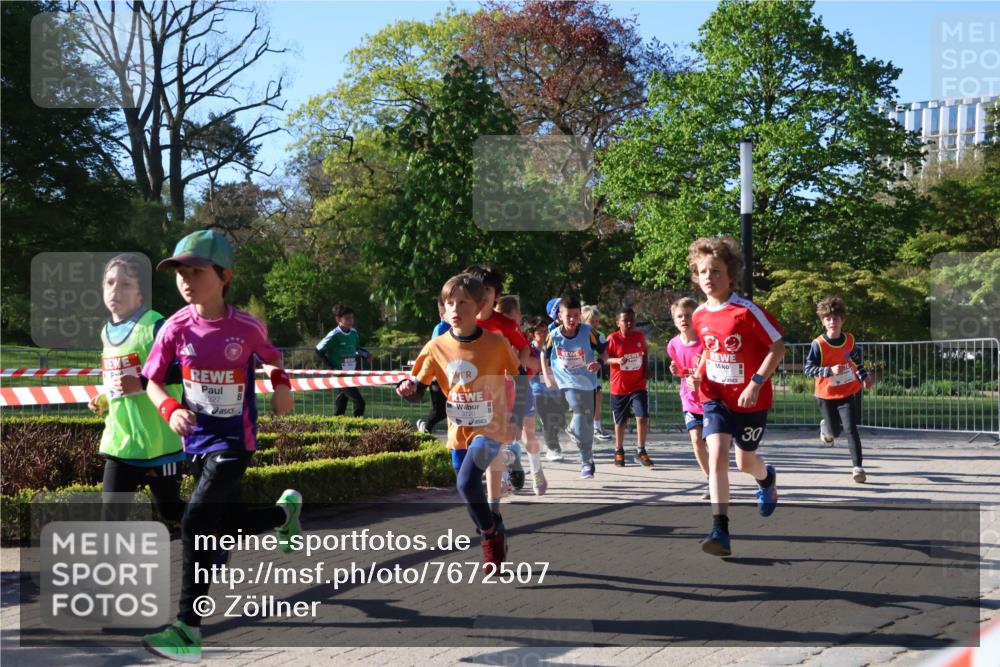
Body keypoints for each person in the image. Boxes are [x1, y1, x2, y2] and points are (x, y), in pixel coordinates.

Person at [140, 230, 302, 662]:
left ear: (223, 276)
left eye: (196, 271)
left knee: (196, 518)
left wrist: (281, 386)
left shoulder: (246, 326)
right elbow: (152, 380)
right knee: (225, 524)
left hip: (236, 441)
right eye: (179, 272)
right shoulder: (174, 327)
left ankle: (187, 630)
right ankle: (286, 513)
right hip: (196, 442)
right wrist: (170, 408)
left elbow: (273, 358)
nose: (186, 280)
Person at [396, 273, 526, 568]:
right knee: (467, 492)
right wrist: (406, 389)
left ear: (479, 306)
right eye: (449, 302)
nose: (454, 309)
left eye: (463, 302)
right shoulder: (436, 346)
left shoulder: (496, 343)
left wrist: (519, 414)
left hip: (491, 426)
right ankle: (492, 528)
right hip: (458, 429)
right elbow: (416, 387)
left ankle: (490, 538)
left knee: (468, 482)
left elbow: (520, 375)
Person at [686, 236, 784, 558]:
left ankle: (766, 478)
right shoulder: (699, 315)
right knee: (715, 456)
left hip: (751, 400)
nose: (709, 278)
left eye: (715, 271)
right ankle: (720, 528)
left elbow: (777, 347)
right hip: (715, 397)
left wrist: (755, 382)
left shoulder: (747, 311)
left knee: (745, 463)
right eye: (703, 272)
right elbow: (707, 349)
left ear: (730, 275)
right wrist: (700, 370)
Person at [88, 253, 185, 523]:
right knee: (111, 518)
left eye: (125, 285)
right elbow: (119, 382)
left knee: (173, 512)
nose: (115, 290)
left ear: (141, 294)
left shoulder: (157, 326)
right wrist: (106, 398)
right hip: (122, 442)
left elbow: (185, 371)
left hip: (160, 442)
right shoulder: (106, 331)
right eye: (109, 283)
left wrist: (141, 383)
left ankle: (242, 523)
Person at [465, 264, 530, 501]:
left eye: (488, 289)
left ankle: (495, 496)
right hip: (470, 394)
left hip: (502, 390)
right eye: (477, 288)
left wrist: (515, 369)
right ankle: (509, 458)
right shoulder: (463, 321)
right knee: (475, 443)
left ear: (497, 294)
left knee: (492, 442)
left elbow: (524, 348)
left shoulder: (504, 324)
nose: (482, 294)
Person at [804, 296, 876, 483]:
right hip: (825, 394)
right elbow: (808, 369)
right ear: (823, 322)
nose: (832, 322)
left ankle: (857, 467)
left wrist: (864, 376)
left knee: (851, 429)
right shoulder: (818, 344)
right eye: (828, 319)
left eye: (836, 319)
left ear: (842, 320)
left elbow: (857, 361)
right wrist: (828, 370)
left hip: (847, 391)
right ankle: (826, 428)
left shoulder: (850, 340)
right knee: (835, 432)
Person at [541, 294, 604, 479]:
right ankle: (584, 459)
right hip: (565, 380)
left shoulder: (589, 332)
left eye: (576, 316)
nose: (572, 320)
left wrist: (599, 363)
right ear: (560, 316)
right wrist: (547, 376)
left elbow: (604, 352)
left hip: (587, 381)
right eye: (568, 316)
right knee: (578, 409)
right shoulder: (554, 335)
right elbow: (544, 355)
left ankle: (587, 461)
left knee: (586, 423)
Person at [497, 298, 547, 495]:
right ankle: (503, 478)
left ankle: (536, 470)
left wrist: (520, 364)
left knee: (528, 434)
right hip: (499, 390)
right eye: (517, 314)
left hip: (521, 390)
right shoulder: (493, 335)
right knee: (500, 437)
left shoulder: (520, 337)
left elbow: (533, 364)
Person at [667, 297, 711, 499]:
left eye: (688, 315)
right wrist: (677, 371)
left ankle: (718, 477)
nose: (684, 319)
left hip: (711, 398)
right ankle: (711, 480)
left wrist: (701, 378)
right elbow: (684, 371)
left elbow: (716, 368)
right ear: (674, 320)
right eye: (679, 316)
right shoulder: (673, 345)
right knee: (696, 440)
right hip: (690, 399)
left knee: (713, 445)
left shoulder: (706, 342)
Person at [604, 307, 653, 468]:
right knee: (620, 421)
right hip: (620, 387)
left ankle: (641, 450)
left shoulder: (639, 336)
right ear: (618, 323)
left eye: (632, 319)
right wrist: (617, 361)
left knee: (642, 417)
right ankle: (619, 449)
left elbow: (644, 352)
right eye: (626, 320)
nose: (630, 323)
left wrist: (646, 368)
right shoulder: (613, 339)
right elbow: (604, 358)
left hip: (638, 385)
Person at [316, 304, 370, 417]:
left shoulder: (354, 333)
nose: (351, 321)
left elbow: (356, 348)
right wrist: (332, 369)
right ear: (338, 319)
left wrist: (366, 354)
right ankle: (357, 429)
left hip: (350, 373)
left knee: (341, 406)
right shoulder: (334, 335)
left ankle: (336, 430)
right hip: (340, 375)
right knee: (360, 403)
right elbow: (318, 350)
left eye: (352, 318)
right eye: (347, 318)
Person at [527, 316, 566, 463]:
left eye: (546, 332)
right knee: (549, 419)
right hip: (536, 390)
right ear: (532, 334)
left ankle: (556, 433)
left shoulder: (553, 347)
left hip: (555, 389)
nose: (544, 335)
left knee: (559, 420)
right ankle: (553, 449)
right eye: (540, 333)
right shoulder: (528, 350)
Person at [417, 300, 450, 434]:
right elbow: (436, 353)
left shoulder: (456, 328)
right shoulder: (440, 329)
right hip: (437, 376)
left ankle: (426, 428)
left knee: (451, 409)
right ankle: (425, 428)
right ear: (442, 314)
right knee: (440, 411)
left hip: (450, 376)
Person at [581, 304, 613, 442]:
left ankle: (596, 426)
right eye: (592, 321)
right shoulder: (579, 335)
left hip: (593, 373)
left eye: (597, 321)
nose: (595, 324)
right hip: (578, 373)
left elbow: (604, 355)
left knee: (598, 395)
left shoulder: (600, 336)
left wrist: (598, 362)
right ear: (583, 321)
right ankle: (582, 428)